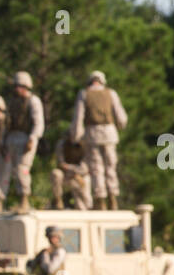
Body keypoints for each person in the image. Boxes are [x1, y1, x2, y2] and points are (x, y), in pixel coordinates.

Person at [70, 70, 129, 210]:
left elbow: (78, 117)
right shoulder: (111, 93)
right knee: (111, 166)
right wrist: (121, 125)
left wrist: (76, 136)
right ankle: (112, 197)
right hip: (109, 132)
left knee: (96, 168)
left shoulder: (84, 94)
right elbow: (120, 115)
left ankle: (100, 198)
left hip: (93, 133)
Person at [3, 72, 44, 214]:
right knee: (14, 171)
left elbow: (38, 122)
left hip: (25, 138)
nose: (16, 89)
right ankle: (19, 199)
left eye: (19, 86)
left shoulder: (33, 101)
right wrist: (4, 141)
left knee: (23, 169)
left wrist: (33, 138)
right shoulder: (12, 102)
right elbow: (6, 124)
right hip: (12, 138)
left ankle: (24, 200)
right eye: (15, 86)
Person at [51, 132, 92, 211]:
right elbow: (61, 164)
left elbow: (85, 168)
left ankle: (88, 205)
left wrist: (74, 172)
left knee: (86, 180)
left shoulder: (85, 146)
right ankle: (58, 200)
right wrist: (73, 171)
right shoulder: (62, 145)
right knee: (55, 173)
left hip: (80, 176)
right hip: (66, 176)